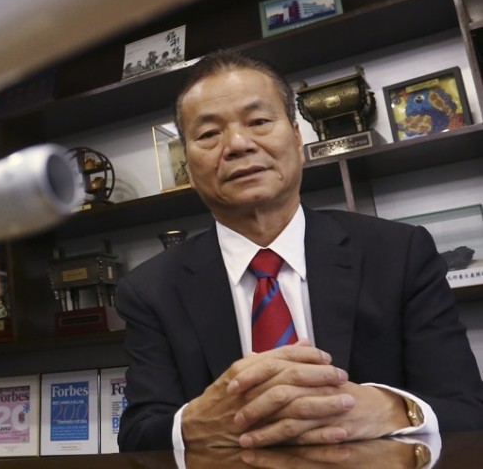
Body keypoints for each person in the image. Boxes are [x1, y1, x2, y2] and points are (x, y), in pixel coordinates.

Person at [116, 49, 483, 451]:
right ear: (187, 163)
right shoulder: (150, 290)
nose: (238, 144)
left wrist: (391, 408)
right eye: (208, 134)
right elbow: (138, 436)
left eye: (258, 121)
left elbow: (467, 409)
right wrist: (196, 422)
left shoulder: (399, 253)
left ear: (295, 135)